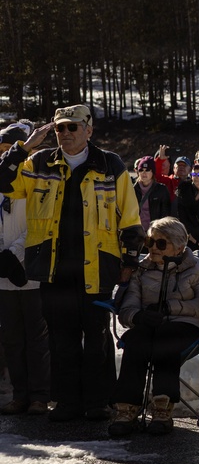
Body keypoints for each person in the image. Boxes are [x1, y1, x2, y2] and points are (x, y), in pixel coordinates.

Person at [0, 105, 144, 422]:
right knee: (60, 338)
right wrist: (24, 146)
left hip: (98, 266)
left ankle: (98, 401)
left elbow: (130, 217)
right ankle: (66, 402)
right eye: (59, 128)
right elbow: (3, 181)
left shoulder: (110, 164)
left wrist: (130, 260)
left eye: (72, 127)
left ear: (88, 130)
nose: (65, 133)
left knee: (96, 337)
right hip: (52, 268)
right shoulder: (38, 162)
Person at [108, 217, 199, 436]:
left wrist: (171, 307)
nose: (153, 248)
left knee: (166, 340)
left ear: (179, 247)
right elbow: (128, 307)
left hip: (189, 325)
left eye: (161, 243)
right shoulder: (142, 269)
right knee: (135, 340)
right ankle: (126, 408)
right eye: (150, 242)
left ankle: (162, 408)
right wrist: (139, 316)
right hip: (151, 325)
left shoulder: (197, 268)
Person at [0, 121, 50, 416]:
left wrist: (14, 254)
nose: (5, 154)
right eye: (2, 149)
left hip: (30, 272)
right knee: (12, 338)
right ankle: (19, 394)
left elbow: (38, 224)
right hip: (3, 276)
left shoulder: (34, 181)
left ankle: (40, 396)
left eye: (11, 149)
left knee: (36, 338)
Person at [133, 156, 171, 234]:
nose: (144, 173)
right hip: (136, 232)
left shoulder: (161, 190)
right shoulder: (132, 189)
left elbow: (165, 214)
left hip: (155, 232)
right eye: (141, 170)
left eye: (147, 170)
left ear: (153, 172)